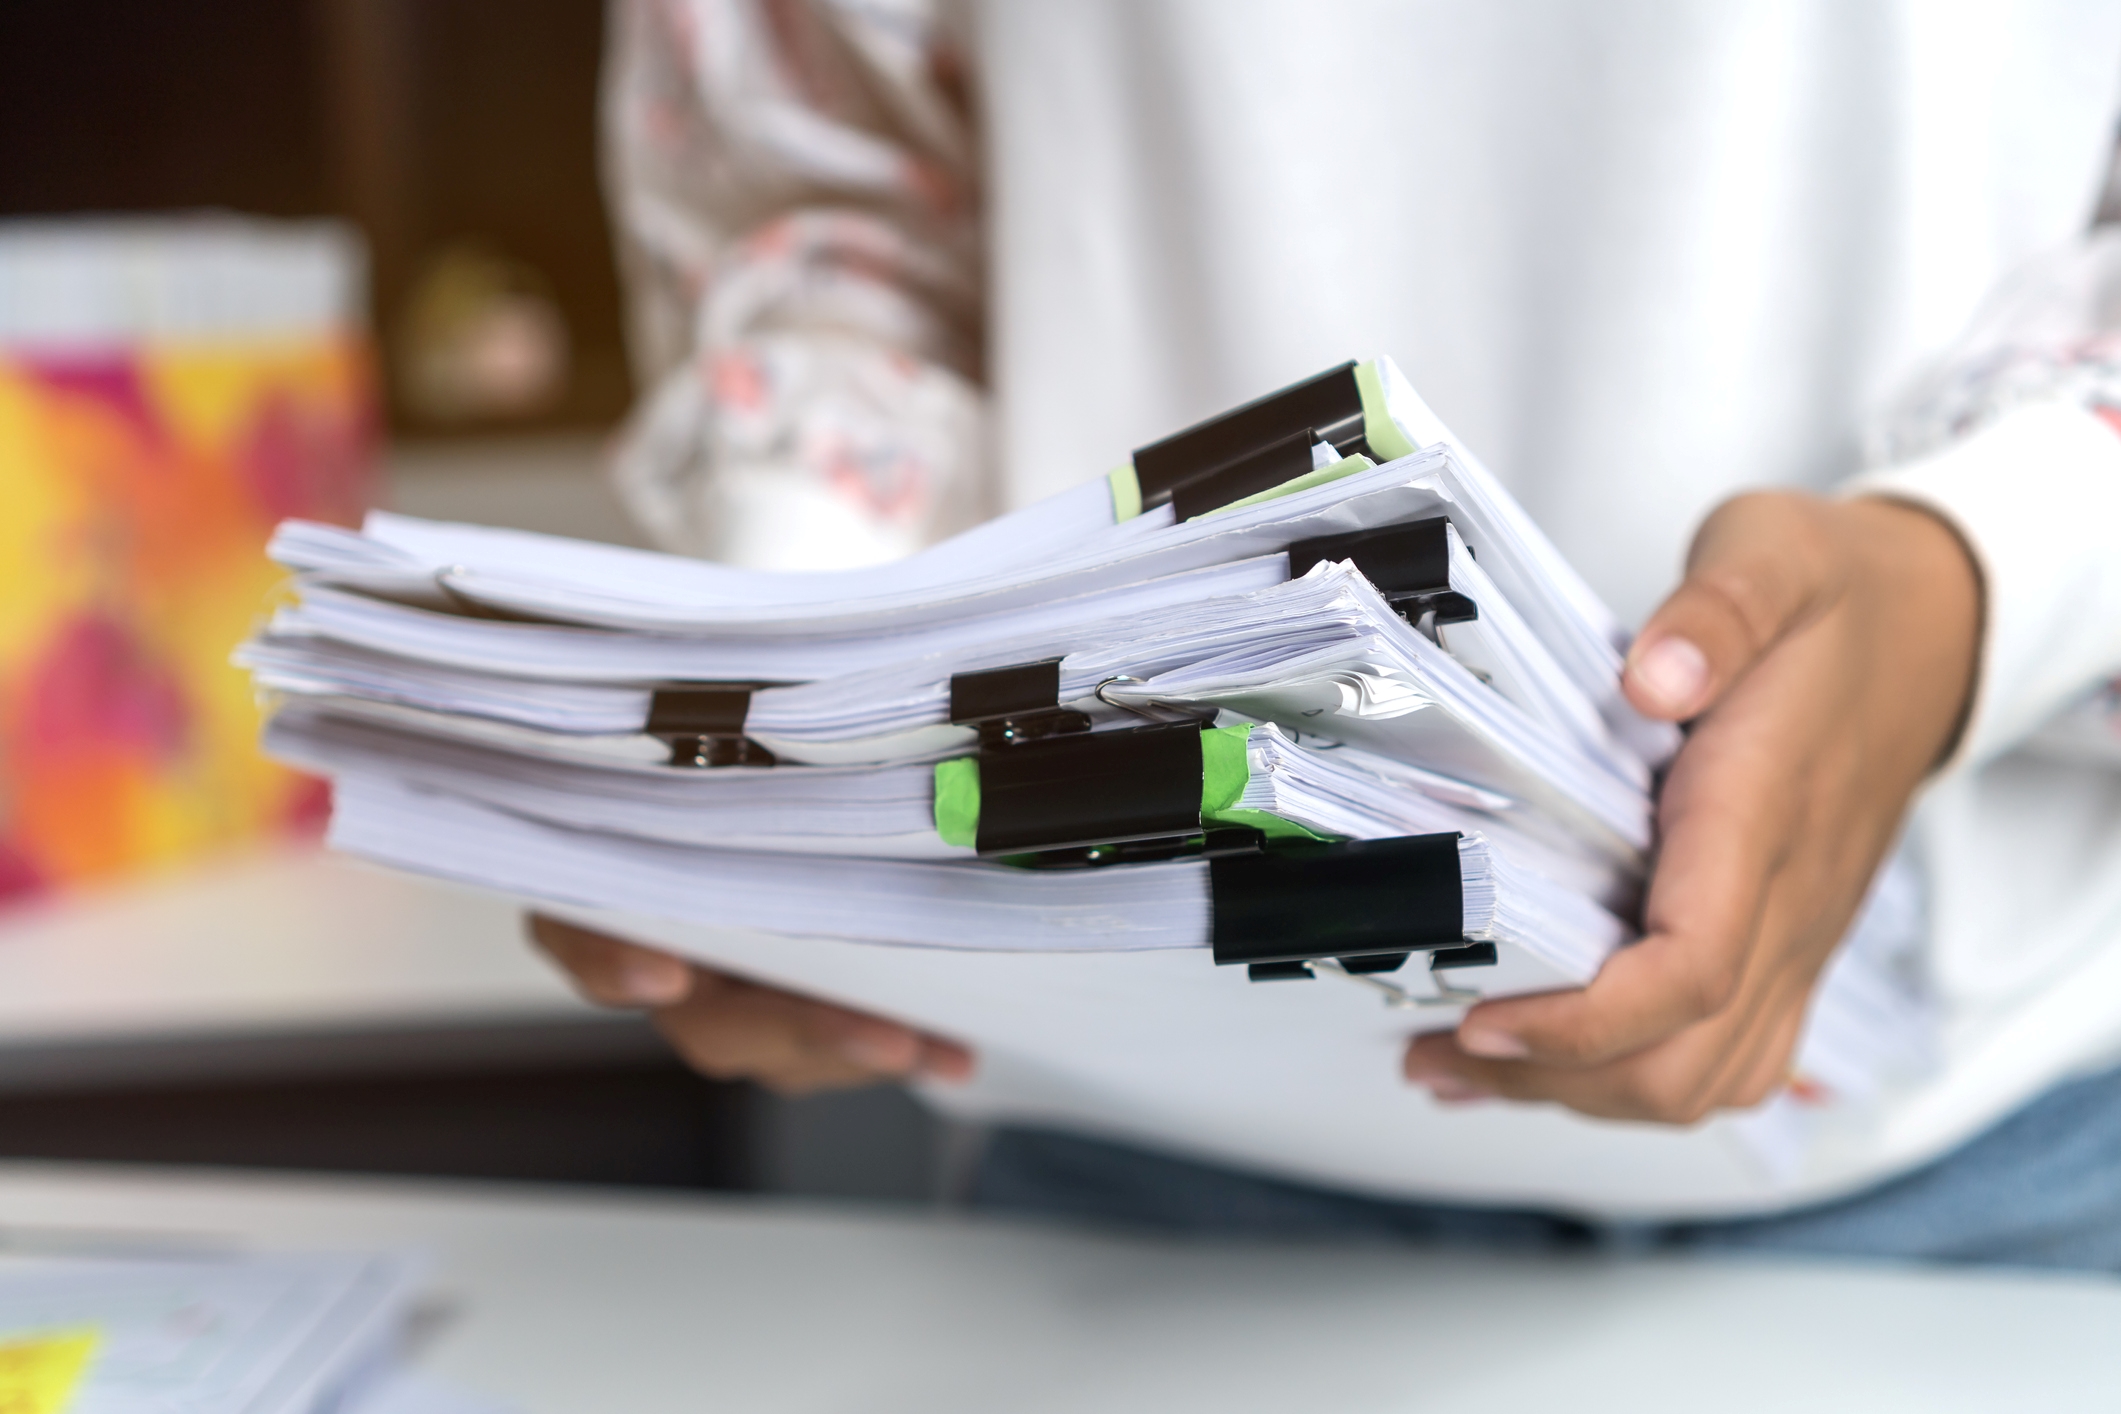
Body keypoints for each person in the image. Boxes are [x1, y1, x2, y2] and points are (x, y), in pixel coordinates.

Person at [537, 0, 2121, 1267]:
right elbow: (829, 198)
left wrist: (1980, 580)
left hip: (1993, 1141)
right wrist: (809, 704)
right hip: (1147, 1156)